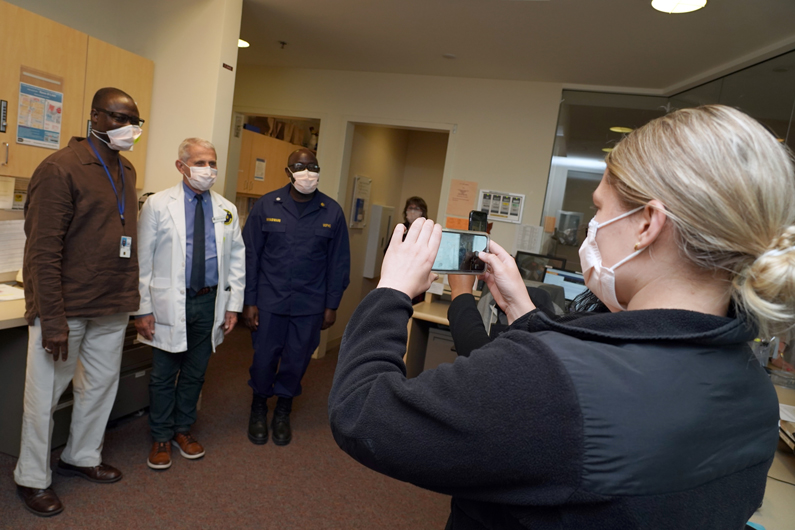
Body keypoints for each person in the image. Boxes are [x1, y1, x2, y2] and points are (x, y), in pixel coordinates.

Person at [328, 105, 792, 529]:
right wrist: (524, 314)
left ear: (648, 224)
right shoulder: (754, 389)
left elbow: (363, 414)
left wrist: (391, 291)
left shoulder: (546, 381)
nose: (591, 230)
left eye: (598, 210)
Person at [14, 88, 144, 517]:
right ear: (95, 117)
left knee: (99, 389)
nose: (129, 128)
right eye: (120, 118)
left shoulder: (126, 168)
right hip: (66, 308)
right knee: (45, 396)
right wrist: (51, 318)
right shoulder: (59, 168)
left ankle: (81, 456)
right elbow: (42, 250)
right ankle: (32, 477)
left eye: (135, 121)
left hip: (111, 303)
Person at [133, 138, 245, 470]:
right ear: (181, 166)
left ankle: (183, 430)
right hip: (168, 302)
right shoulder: (157, 205)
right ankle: (161, 436)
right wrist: (142, 309)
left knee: (195, 374)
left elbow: (237, 261)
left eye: (212, 163)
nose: (208, 170)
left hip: (209, 301)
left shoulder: (227, 209)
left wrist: (233, 306)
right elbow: (143, 261)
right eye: (200, 163)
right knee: (163, 375)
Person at [242, 148, 350, 446]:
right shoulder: (267, 205)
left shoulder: (332, 211)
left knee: (296, 360)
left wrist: (331, 305)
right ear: (288, 171)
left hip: (310, 304)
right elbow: (250, 257)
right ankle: (259, 406)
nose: (307, 171)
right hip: (269, 301)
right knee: (264, 358)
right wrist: (249, 301)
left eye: (312, 165)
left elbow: (338, 263)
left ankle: (283, 411)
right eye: (299, 166)